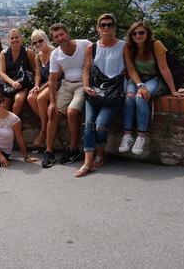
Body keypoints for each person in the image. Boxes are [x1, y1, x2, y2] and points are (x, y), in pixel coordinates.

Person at [119, 21, 183, 156]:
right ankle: (127, 135)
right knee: (128, 98)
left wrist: (173, 90)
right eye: (134, 33)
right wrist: (140, 85)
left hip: (153, 78)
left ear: (147, 33)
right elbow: (131, 70)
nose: (138, 36)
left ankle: (141, 136)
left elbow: (164, 69)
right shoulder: (129, 47)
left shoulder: (156, 45)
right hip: (136, 79)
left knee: (141, 98)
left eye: (141, 32)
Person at [75, 14, 126, 177]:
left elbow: (131, 68)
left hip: (113, 93)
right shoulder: (93, 47)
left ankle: (101, 153)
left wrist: (137, 85)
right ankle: (88, 161)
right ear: (98, 28)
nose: (106, 28)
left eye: (109, 25)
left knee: (100, 125)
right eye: (103, 25)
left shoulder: (123, 46)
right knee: (88, 124)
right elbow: (86, 70)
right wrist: (85, 86)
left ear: (114, 27)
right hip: (95, 91)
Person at [41, 23, 91, 169]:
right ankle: (49, 151)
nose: (59, 38)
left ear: (68, 34)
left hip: (82, 84)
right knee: (53, 113)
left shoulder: (85, 44)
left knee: (72, 112)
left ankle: (73, 148)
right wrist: (52, 102)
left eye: (61, 34)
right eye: (56, 37)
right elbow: (52, 79)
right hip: (67, 84)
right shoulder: (56, 54)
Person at [27, 29, 58, 147]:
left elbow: (54, 76)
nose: (38, 44)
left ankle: (44, 129)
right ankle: (49, 122)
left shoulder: (55, 52)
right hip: (44, 82)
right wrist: (36, 85)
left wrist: (41, 87)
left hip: (56, 82)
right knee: (30, 98)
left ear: (46, 39)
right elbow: (38, 74)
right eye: (35, 43)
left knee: (40, 98)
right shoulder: (37, 56)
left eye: (40, 41)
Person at [0, 28, 35, 116]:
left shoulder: (28, 53)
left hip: (23, 82)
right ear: (8, 40)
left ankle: (14, 122)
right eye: (12, 38)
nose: (14, 40)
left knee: (19, 99)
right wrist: (12, 82)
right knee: (4, 102)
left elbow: (33, 69)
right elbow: (2, 73)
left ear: (21, 38)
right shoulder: (4, 53)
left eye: (16, 37)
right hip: (8, 82)